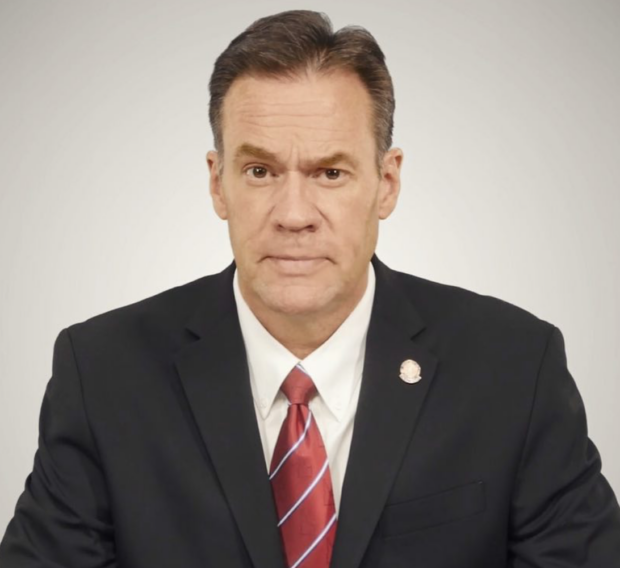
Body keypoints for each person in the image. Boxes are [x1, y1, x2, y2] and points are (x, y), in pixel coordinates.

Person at [1, 9, 619, 568]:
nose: (294, 214)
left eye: (330, 172)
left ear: (386, 183)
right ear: (218, 183)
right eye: (260, 170)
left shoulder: (514, 367)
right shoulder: (103, 373)